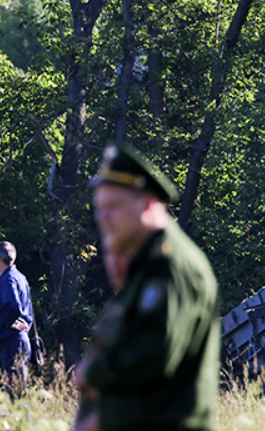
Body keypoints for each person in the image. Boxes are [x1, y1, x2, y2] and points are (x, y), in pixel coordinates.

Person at [72, 142, 220, 431]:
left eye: (112, 208)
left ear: (149, 204)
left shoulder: (169, 264)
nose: (102, 218)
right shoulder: (146, 264)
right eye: (99, 210)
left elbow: (153, 353)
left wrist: (93, 373)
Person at [0, 240, 33, 396]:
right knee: (19, 387)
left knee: (14, 390)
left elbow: (13, 307)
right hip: (20, 339)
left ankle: (18, 419)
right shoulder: (20, 277)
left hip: (12, 340)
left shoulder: (8, 279)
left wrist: (6, 324)